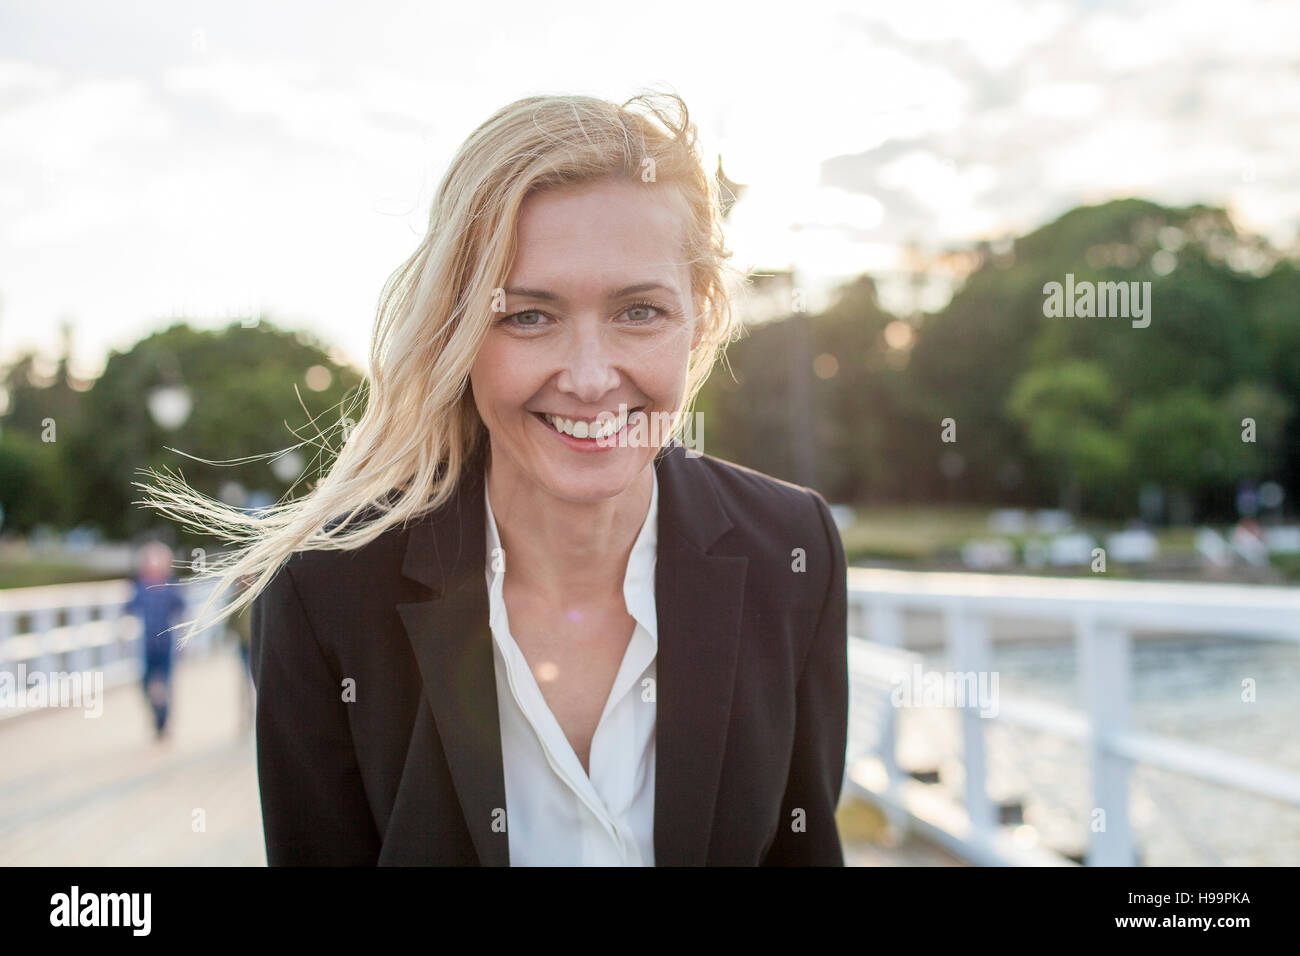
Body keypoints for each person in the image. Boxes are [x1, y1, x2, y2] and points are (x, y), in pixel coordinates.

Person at [136, 91, 848, 865]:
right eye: (528, 316)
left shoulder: (793, 551)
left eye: (639, 311)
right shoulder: (324, 589)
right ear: (459, 330)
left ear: (701, 318)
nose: (587, 377)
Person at [126, 541, 187, 741]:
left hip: (166, 644)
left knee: (166, 683)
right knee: (145, 683)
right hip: (145, 644)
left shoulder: (171, 587)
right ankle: (156, 715)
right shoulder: (139, 587)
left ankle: (164, 721)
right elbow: (129, 610)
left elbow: (181, 611)